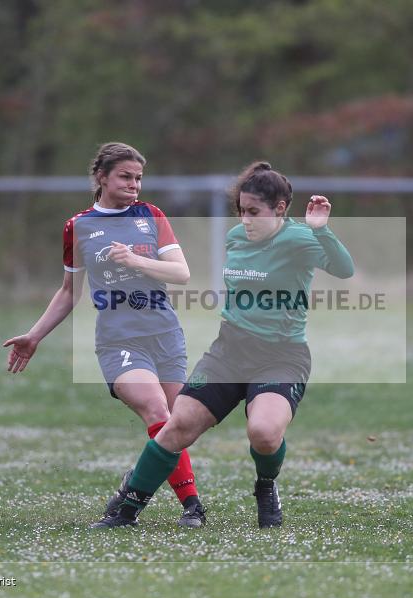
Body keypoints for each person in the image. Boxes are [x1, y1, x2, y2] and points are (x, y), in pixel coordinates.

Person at [91, 161, 355, 529]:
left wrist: (322, 231)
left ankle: (266, 486)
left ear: (280, 209)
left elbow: (344, 269)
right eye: (240, 211)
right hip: (229, 352)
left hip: (281, 356)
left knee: (263, 433)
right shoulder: (236, 238)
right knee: (178, 425)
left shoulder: (299, 239)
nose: (244, 220)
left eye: (253, 212)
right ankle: (127, 510)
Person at [3, 142, 207, 527]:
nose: (134, 185)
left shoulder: (151, 215)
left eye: (139, 178)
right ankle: (191, 506)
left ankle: (134, 481)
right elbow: (69, 291)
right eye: (125, 177)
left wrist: (134, 260)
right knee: (158, 413)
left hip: (164, 334)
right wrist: (34, 336)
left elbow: (181, 273)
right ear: (102, 177)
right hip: (119, 339)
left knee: (179, 427)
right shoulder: (78, 226)